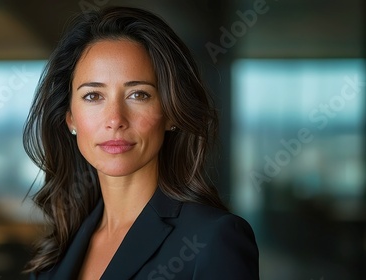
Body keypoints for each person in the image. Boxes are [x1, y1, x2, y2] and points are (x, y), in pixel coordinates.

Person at [23, 6, 259, 280]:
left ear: (171, 112)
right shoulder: (58, 249)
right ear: (70, 119)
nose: (115, 120)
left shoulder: (213, 239)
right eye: (93, 96)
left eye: (138, 94)